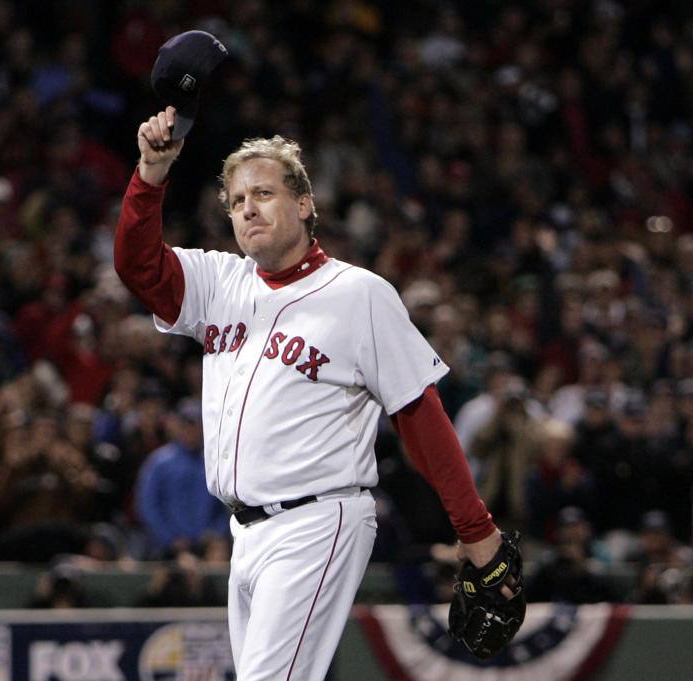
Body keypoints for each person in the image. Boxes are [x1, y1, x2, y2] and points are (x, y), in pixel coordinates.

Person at [114, 106, 513, 680]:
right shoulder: (219, 282)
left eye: (264, 193)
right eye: (236, 201)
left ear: (304, 204)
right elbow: (137, 265)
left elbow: (420, 417)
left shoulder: (359, 294)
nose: (248, 206)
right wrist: (150, 175)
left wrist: (476, 531)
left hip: (318, 520)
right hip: (244, 532)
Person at [135, 398, 230, 558]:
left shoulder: (214, 462)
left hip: (208, 548)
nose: (190, 431)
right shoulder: (160, 462)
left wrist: (216, 532)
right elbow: (147, 506)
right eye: (185, 426)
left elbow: (226, 503)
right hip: (166, 549)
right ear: (177, 427)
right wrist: (170, 538)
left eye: (194, 426)